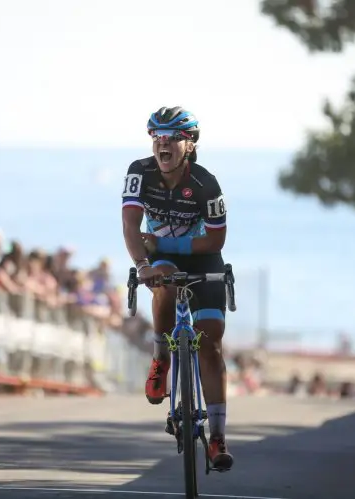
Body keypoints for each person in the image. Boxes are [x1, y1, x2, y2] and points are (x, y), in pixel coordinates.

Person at [120, 106, 232, 470]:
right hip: (158, 258)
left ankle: (217, 438)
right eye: (157, 137)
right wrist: (143, 265)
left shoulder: (206, 184)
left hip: (203, 259)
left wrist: (163, 244)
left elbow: (215, 241)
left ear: (191, 144)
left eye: (171, 138)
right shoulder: (139, 172)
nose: (162, 145)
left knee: (211, 345)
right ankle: (161, 358)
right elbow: (130, 225)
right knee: (163, 284)